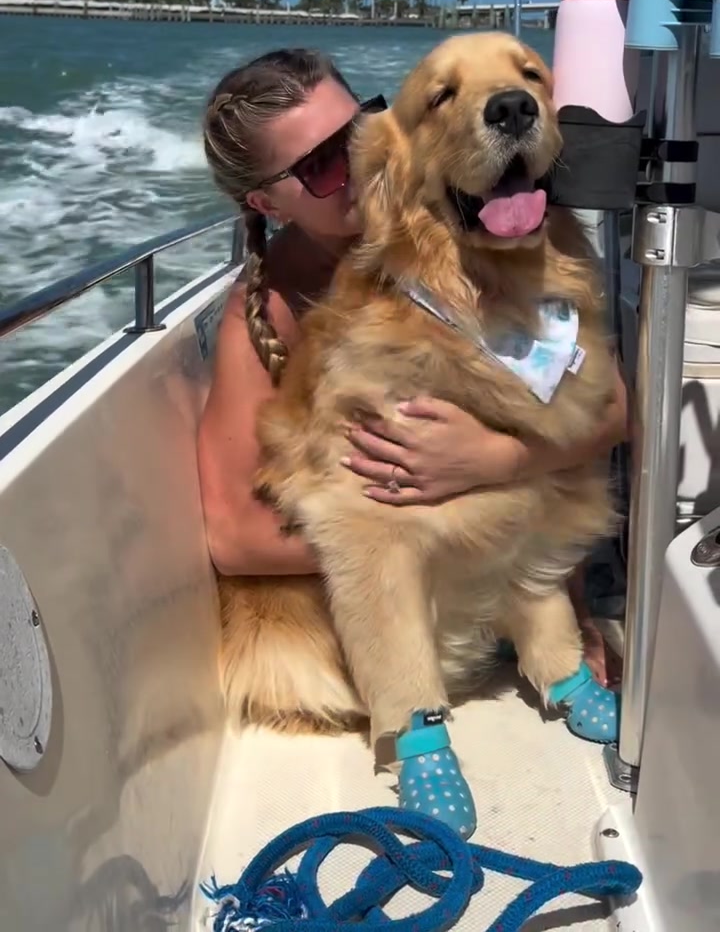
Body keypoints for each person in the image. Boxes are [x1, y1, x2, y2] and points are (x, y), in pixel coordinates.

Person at [197, 46, 627, 687]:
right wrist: (406, 540)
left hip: (520, 568)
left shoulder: (474, 231)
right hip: (398, 599)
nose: (358, 159)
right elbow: (234, 537)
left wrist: (493, 462)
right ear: (269, 204)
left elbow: (610, 409)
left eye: (361, 126)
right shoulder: (266, 311)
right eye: (322, 166)